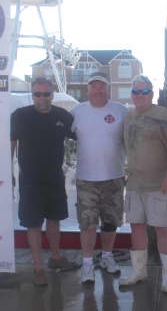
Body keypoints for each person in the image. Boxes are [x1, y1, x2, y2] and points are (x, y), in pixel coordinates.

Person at [119, 75, 167, 293]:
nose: (140, 96)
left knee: (162, 229)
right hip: (135, 184)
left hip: (160, 184)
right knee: (136, 227)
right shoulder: (128, 116)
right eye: (135, 92)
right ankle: (139, 271)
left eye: (144, 92)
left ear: (152, 93)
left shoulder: (163, 114)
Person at [11, 77, 77, 286]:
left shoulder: (62, 116)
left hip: (55, 178)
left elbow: (82, 136)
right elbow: (11, 145)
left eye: (45, 94)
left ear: (52, 94)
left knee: (55, 219)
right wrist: (7, 173)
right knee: (33, 223)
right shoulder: (20, 116)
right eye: (37, 94)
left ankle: (56, 258)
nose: (41, 98)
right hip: (30, 180)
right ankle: (38, 267)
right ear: (32, 95)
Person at [71, 72, 127, 284]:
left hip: (114, 177)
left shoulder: (120, 110)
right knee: (87, 224)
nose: (97, 90)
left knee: (111, 222)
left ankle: (107, 256)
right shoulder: (77, 111)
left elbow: (134, 135)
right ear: (88, 90)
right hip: (86, 179)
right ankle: (87, 265)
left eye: (101, 86)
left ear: (108, 88)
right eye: (93, 87)